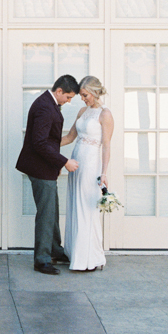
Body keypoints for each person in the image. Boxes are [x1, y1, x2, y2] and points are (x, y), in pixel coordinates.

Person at [16, 75, 80, 276]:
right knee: (46, 214)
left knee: (52, 210)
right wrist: (64, 161)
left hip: (46, 167)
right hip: (39, 168)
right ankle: (42, 260)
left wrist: (55, 164)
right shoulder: (45, 106)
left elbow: (47, 140)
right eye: (68, 97)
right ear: (59, 91)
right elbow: (40, 143)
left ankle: (54, 250)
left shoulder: (48, 102)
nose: (68, 102)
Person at [61, 76, 114, 272]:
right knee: (75, 205)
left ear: (94, 92)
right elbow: (69, 137)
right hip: (76, 162)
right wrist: (45, 145)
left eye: (85, 95)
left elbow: (106, 146)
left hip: (91, 165)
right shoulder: (82, 111)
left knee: (86, 208)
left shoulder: (105, 114)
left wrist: (104, 172)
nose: (82, 99)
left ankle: (89, 258)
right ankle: (76, 254)